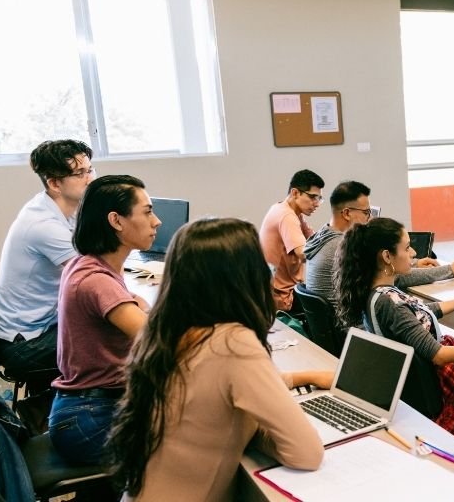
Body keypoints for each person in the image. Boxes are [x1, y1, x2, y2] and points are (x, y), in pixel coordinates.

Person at [109, 218, 330, 501]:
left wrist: (305, 377)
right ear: (244, 277)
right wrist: (257, 431)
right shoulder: (232, 343)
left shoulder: (166, 331)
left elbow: (219, 387)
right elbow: (306, 453)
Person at [335, 217, 454, 454]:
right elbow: (438, 355)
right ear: (387, 256)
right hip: (440, 387)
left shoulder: (375, 292)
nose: (413, 252)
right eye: (407, 248)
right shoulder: (391, 304)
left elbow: (419, 317)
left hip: (420, 383)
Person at [48, 175, 155, 466]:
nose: (156, 221)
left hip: (83, 410)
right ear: (116, 221)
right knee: (202, 438)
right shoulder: (97, 280)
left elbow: (139, 307)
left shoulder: (90, 265)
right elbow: (159, 339)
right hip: (91, 420)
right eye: (147, 212)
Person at [0, 139, 95, 384]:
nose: (90, 178)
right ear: (54, 183)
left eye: (90, 169)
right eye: (80, 173)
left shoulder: (63, 209)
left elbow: (92, 256)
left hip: (43, 326)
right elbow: (91, 277)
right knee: (116, 336)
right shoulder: (43, 225)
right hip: (26, 346)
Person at [302, 180, 454, 308]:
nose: (370, 218)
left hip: (338, 328)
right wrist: (449, 270)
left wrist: (414, 263)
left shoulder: (323, 235)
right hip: (352, 330)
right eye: (366, 213)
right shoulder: (341, 248)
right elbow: (393, 277)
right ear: (347, 213)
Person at [259, 169, 325, 311]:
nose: (317, 203)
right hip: (283, 298)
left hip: (274, 292)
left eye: (319, 198)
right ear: (295, 193)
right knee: (332, 304)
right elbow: (304, 253)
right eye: (313, 197)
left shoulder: (285, 209)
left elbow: (315, 238)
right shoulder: (287, 216)